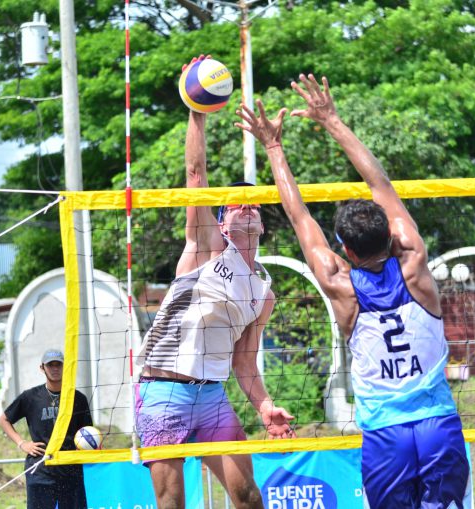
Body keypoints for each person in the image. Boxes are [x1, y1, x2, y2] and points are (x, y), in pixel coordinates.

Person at [234, 75, 469, 509]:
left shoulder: (340, 285)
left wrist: (273, 147)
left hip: (385, 435)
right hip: (438, 425)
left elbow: (300, 217)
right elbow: (382, 186)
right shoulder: (414, 262)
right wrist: (332, 121)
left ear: (345, 250)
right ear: (392, 235)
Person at [133, 55, 296, 509]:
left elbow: (244, 362)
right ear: (221, 223)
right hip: (162, 387)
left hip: (212, 395)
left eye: (254, 204)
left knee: (248, 498)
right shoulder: (206, 246)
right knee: (172, 504)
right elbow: (195, 175)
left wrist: (264, 406)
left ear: (262, 224)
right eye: (235, 205)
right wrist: (196, 113)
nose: (247, 207)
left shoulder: (263, 292)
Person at [0, 349, 93, 509]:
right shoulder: (30, 397)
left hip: (70, 471)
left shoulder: (78, 398)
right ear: (42, 368)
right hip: (40, 471)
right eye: (50, 365)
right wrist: (22, 443)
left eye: (58, 364)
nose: (55, 368)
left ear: (65, 367)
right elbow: (4, 420)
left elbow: (87, 433)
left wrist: (90, 447)